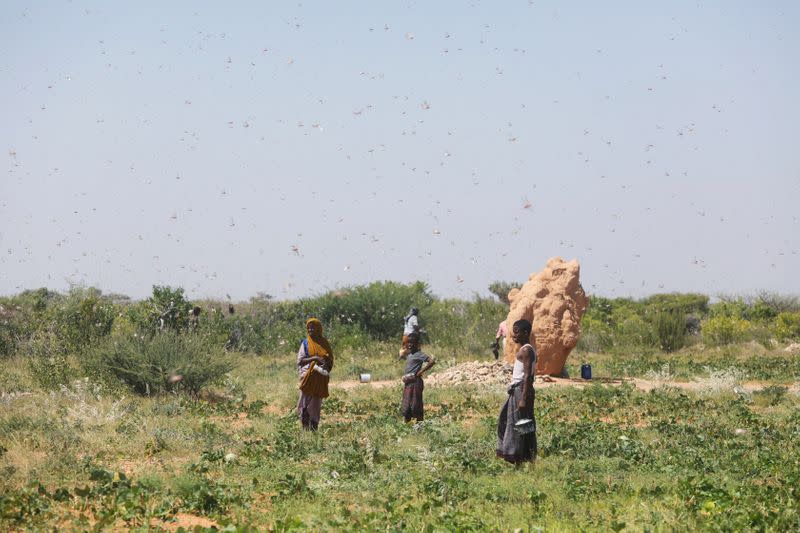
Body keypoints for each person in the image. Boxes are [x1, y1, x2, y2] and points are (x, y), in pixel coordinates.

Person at [496, 319, 537, 464]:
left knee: (518, 423)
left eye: (517, 332)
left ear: (526, 333)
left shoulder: (526, 350)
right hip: (520, 390)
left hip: (521, 391)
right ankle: (526, 455)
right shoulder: (526, 349)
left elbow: (527, 376)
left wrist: (523, 398)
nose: (514, 336)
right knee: (521, 423)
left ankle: (518, 457)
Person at [296, 317, 334, 431]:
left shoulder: (324, 343)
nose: (310, 330)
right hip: (308, 377)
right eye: (308, 328)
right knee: (304, 403)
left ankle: (314, 429)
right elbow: (300, 361)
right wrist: (315, 358)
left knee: (316, 404)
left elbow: (330, 360)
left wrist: (325, 362)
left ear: (319, 329)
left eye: (313, 328)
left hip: (320, 378)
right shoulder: (306, 343)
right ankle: (304, 428)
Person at [401, 332, 436, 423]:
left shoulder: (419, 354)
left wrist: (421, 371)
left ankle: (419, 427)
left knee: (416, 405)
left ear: (417, 344)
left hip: (415, 383)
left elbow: (431, 362)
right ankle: (406, 427)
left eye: (412, 343)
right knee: (407, 405)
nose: (409, 344)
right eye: (408, 342)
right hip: (408, 383)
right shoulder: (409, 354)